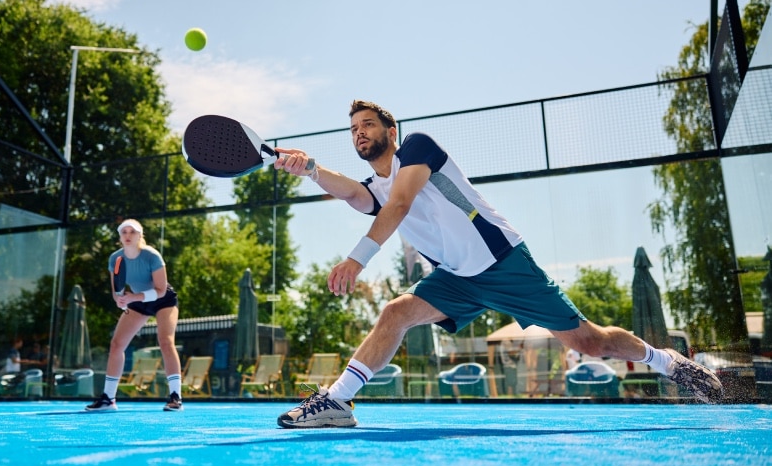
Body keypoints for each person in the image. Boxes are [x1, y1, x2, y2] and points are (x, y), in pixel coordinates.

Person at [273, 99, 723, 428]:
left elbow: (401, 204)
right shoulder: (376, 185)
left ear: (391, 131)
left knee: (590, 342)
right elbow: (355, 193)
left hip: (504, 263)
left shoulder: (418, 148)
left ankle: (669, 363)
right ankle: (337, 401)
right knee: (395, 313)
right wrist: (310, 169)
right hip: (455, 279)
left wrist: (357, 259)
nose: (359, 133)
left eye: (368, 124)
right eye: (353, 129)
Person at [86, 219, 183, 412]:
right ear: (120, 237)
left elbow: (161, 290)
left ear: (140, 236)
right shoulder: (115, 259)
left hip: (163, 299)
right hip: (136, 300)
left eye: (132, 232)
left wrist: (132, 297)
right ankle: (108, 399)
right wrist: (120, 300)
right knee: (116, 344)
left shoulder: (152, 256)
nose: (128, 235)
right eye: (124, 232)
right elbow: (116, 291)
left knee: (165, 341)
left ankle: (176, 397)